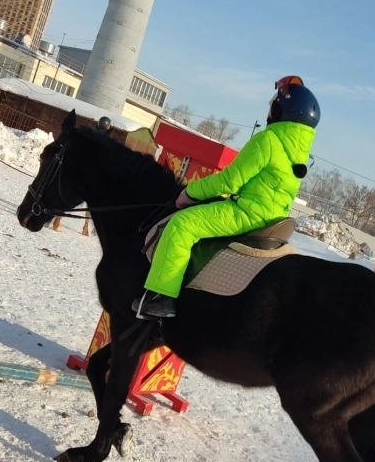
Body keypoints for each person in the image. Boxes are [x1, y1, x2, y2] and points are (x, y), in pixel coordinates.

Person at [132, 75, 320, 319]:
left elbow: (230, 181)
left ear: (280, 109)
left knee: (181, 225)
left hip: (246, 214)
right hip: (273, 220)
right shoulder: (301, 152)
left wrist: (189, 192)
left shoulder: (268, 140)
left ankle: (161, 297)